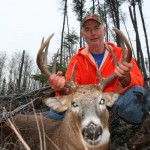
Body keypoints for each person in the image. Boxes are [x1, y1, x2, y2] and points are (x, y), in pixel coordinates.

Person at [48, 13, 149, 124]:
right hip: (86, 110)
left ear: (104, 30)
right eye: (88, 30)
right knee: (55, 113)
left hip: (114, 108)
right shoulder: (76, 60)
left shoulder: (122, 54)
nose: (93, 33)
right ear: (83, 34)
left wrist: (126, 78)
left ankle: (116, 132)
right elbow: (70, 92)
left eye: (97, 28)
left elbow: (139, 83)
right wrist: (62, 88)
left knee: (139, 95)